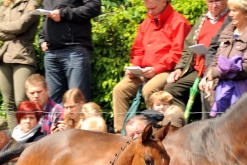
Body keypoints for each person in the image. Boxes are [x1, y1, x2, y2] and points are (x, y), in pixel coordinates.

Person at [111, 0, 191, 133]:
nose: (148, 9)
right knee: (120, 90)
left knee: (149, 89)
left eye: (152, 6)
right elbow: (137, 50)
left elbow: (177, 54)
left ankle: (153, 131)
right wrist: (134, 68)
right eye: (146, 6)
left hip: (167, 70)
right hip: (144, 71)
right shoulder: (146, 23)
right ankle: (121, 132)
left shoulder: (179, 22)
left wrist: (156, 69)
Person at [164, 0, 230, 113]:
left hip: (216, 70)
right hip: (198, 69)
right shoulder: (203, 19)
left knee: (206, 91)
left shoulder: (230, 19)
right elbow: (189, 46)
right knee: (171, 89)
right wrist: (180, 68)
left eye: (217, 1)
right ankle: (178, 124)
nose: (214, 6)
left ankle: (207, 126)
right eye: (210, 2)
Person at [202, 0, 247, 117]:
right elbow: (216, 58)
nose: (230, 14)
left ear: (246, 13)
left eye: (234, 11)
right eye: (230, 10)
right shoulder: (227, 32)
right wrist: (209, 77)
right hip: (219, 88)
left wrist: (217, 73)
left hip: (241, 93)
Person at [0, 0, 40, 129]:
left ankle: (28, 136)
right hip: (4, 57)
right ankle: (15, 139)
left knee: (21, 102)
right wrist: (13, 32)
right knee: (9, 104)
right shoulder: (7, 4)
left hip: (22, 56)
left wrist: (1, 26)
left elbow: (21, 26)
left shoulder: (33, 3)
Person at [39, 0, 101, 103]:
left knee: (76, 99)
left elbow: (94, 7)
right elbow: (46, 17)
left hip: (74, 51)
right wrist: (42, 38)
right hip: (51, 52)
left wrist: (63, 13)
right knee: (52, 103)